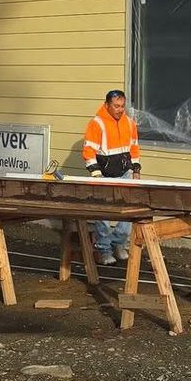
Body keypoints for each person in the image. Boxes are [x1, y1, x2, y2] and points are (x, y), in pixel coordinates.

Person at [82, 89, 142, 265]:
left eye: (122, 106)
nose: (120, 109)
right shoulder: (97, 123)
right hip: (103, 174)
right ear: (107, 105)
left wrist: (136, 170)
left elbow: (134, 148)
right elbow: (88, 151)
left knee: (128, 213)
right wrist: (96, 174)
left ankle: (119, 243)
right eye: (116, 106)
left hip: (124, 173)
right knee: (104, 214)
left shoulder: (130, 124)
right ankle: (103, 249)